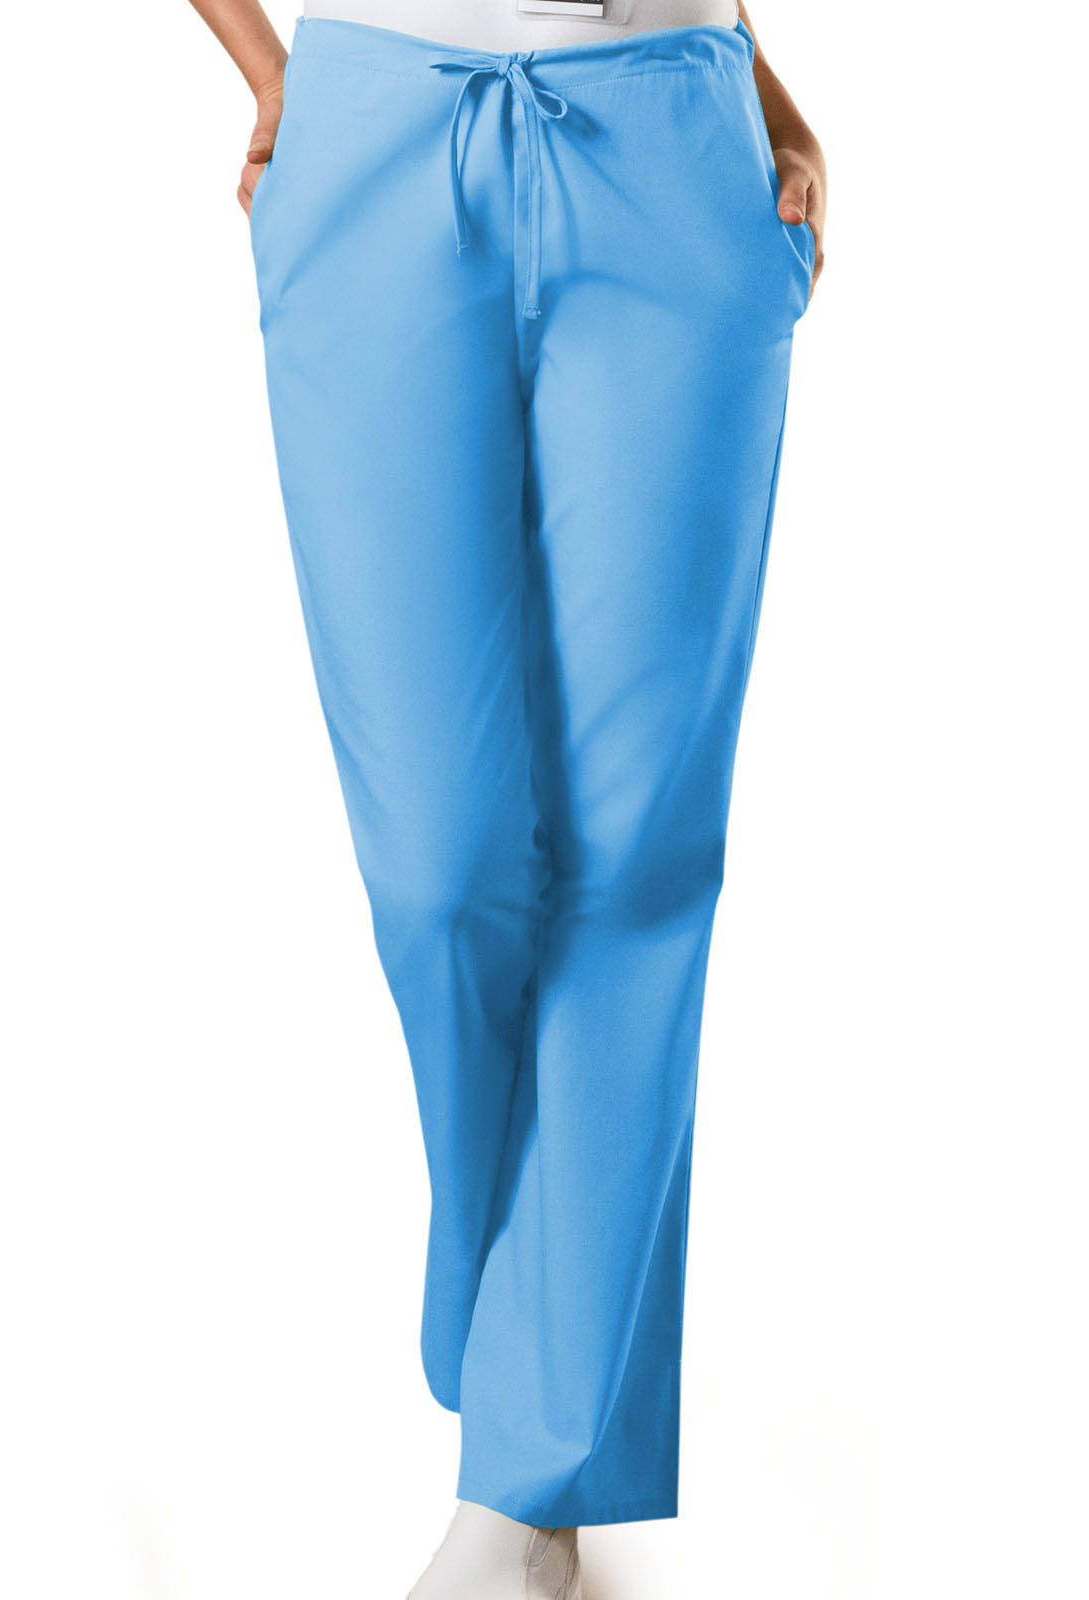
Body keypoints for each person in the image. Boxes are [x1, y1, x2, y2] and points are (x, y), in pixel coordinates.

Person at [188, 1, 825, 1594]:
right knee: (440, 863)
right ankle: (527, 1321)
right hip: (377, 123)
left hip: (673, 134)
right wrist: (270, 75)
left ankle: (522, 1503)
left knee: (637, 851)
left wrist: (752, 71)